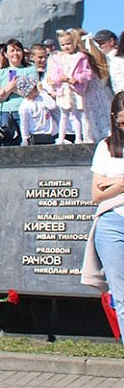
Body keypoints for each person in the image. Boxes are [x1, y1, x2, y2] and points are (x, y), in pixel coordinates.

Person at [83, 92, 124, 341]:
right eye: (121, 121)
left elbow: (104, 187)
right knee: (121, 296)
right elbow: (96, 194)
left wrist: (113, 184)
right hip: (112, 224)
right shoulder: (106, 147)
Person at [46, 29, 91, 143]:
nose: (66, 47)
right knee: (64, 114)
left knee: (76, 115)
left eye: (68, 43)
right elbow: (53, 73)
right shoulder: (58, 58)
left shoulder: (81, 57)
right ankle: (61, 138)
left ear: (74, 43)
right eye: (63, 44)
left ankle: (79, 137)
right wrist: (60, 79)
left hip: (75, 89)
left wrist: (77, 79)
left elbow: (87, 73)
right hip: (64, 90)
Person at [0, 38, 36, 147]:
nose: (15, 53)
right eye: (12, 50)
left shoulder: (30, 70)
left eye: (18, 50)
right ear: (6, 54)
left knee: (27, 143)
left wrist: (9, 89)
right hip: (5, 112)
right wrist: (11, 87)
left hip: (25, 110)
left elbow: (32, 93)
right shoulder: (0, 73)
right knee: (7, 144)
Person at [17, 76, 59, 145]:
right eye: (34, 88)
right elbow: (24, 124)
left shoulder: (41, 97)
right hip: (35, 134)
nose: (36, 89)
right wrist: (25, 139)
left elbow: (52, 106)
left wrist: (42, 92)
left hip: (50, 133)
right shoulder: (24, 106)